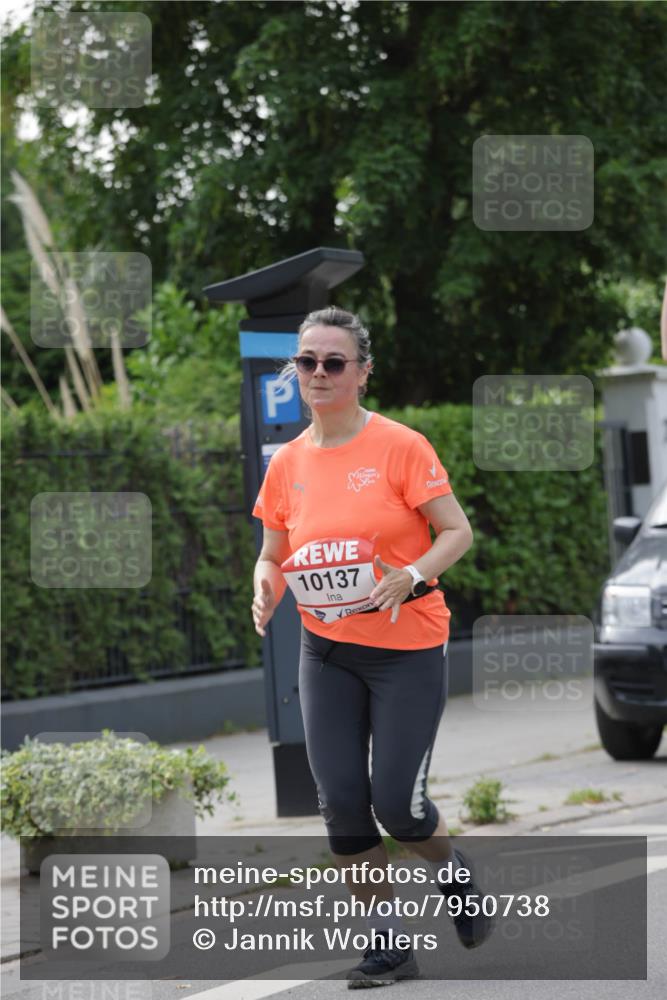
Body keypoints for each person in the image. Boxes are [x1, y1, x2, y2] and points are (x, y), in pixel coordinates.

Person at [251, 306, 492, 988]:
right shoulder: (287, 464)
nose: (318, 373)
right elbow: (271, 553)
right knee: (342, 805)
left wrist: (411, 574)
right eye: (306, 362)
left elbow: (456, 532)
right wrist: (264, 586)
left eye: (333, 362)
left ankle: (453, 874)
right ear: (293, 370)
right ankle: (388, 946)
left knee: (398, 805)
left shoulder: (400, 446)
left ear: (361, 373)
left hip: (406, 646)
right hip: (325, 650)